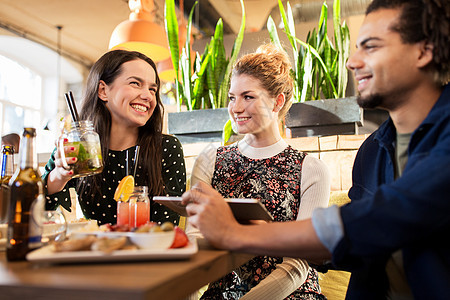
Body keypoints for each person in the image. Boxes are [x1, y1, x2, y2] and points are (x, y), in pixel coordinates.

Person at [181, 0, 450, 299]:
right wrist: (278, 235)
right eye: (233, 97)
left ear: (423, 51)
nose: (351, 62)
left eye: (371, 46)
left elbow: (387, 217)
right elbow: (357, 246)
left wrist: (237, 233)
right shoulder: (372, 152)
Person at [188, 44, 330, 299]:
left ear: (278, 101)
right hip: (222, 293)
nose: (236, 108)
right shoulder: (210, 160)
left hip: (292, 293)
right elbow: (194, 242)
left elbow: (298, 264)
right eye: (232, 97)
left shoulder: (311, 169)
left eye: (248, 97)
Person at [43, 50, 186, 226]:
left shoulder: (166, 147)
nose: (148, 96)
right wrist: (58, 176)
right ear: (103, 90)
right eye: (135, 83)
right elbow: (38, 213)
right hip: (95, 249)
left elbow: (167, 226)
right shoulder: (77, 147)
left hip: (148, 250)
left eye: (152, 89)